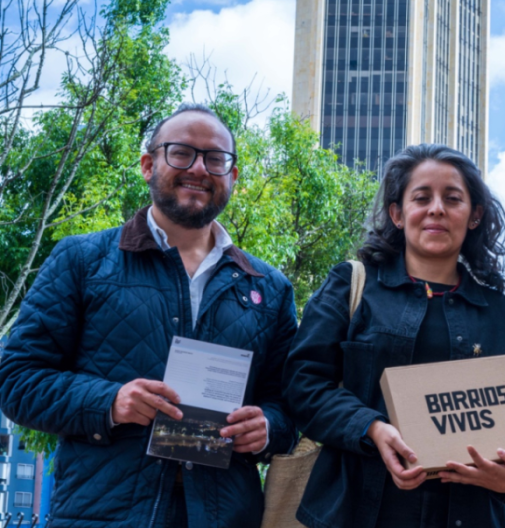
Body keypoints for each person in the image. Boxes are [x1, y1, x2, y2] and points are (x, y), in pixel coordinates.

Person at [0, 104, 299, 527]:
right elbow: (16, 381)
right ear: (148, 165)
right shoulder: (82, 260)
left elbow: (290, 406)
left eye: (215, 159)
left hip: (225, 515)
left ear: (232, 177)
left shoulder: (269, 287)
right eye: (181, 153)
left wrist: (269, 427)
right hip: (102, 514)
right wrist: (111, 402)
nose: (198, 168)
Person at [283, 144, 505, 528]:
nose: (437, 208)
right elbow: (301, 383)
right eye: (422, 197)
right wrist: (371, 427)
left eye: (453, 199)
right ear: (398, 214)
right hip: (355, 513)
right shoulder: (351, 286)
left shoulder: (502, 314)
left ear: (474, 216)